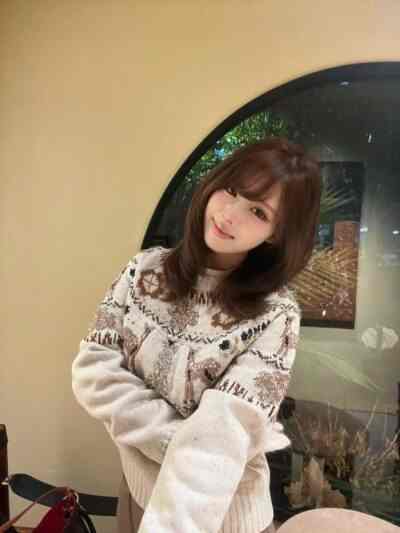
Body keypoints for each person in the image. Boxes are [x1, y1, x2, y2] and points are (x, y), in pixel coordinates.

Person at [72, 137, 321, 533]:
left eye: (258, 211)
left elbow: (226, 430)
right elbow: (93, 372)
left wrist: (211, 448)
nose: (229, 215)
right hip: (137, 495)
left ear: (277, 233)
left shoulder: (276, 314)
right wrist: (188, 442)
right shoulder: (142, 272)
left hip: (223, 515)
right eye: (232, 190)